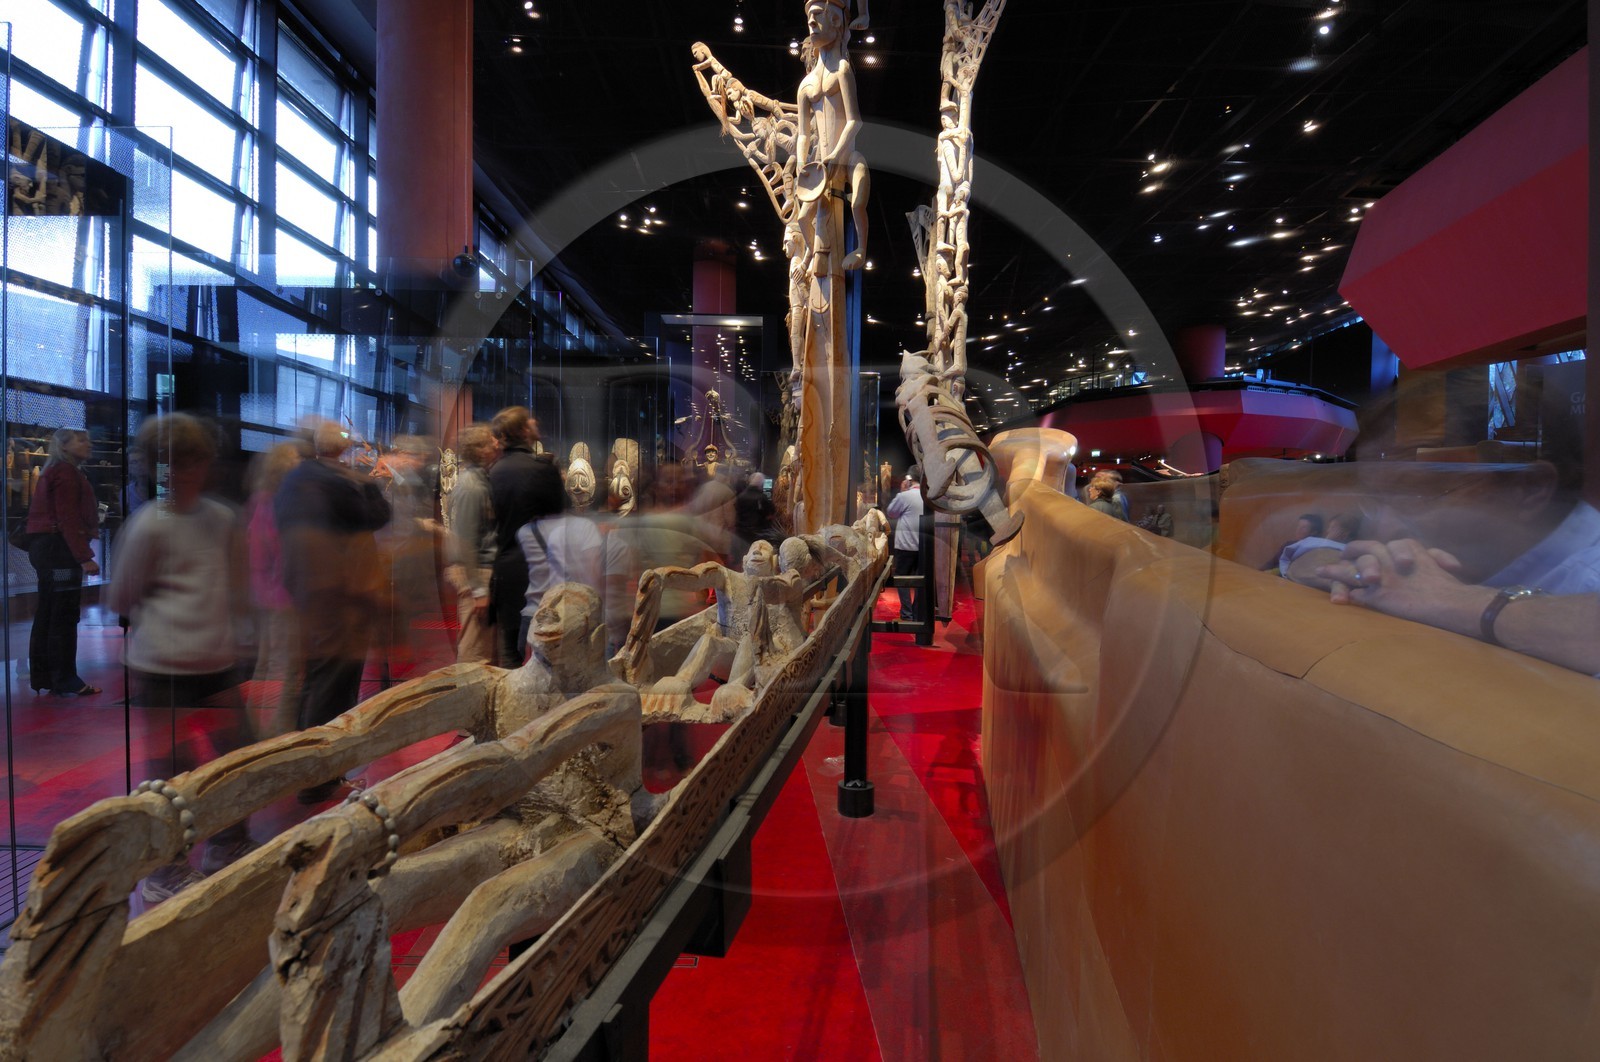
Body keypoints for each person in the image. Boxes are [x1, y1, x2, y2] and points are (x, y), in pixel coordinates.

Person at [107, 413, 256, 901]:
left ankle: (226, 845)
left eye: (189, 461)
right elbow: (122, 595)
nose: (179, 472)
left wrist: (240, 633)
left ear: (205, 464)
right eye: (167, 462)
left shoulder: (220, 519)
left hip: (214, 662)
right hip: (162, 667)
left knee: (235, 762)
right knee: (171, 772)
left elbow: (235, 586)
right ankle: (164, 869)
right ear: (154, 467)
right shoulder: (149, 523)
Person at [1307, 463, 1600, 676]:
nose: (1391, 525)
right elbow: (1310, 554)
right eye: (1381, 499)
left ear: (1529, 487)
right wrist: (1338, 567)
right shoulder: (1490, 555)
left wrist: (1454, 599)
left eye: (1423, 495)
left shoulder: (1590, 573)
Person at [276, 418, 392, 803]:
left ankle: (304, 769)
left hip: (310, 594)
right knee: (333, 688)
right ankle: (320, 777)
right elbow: (374, 518)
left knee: (315, 683)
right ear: (342, 445)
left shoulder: (295, 479)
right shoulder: (338, 480)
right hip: (339, 599)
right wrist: (373, 483)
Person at [24, 427, 101, 696]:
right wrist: (85, 558)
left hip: (49, 549)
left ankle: (46, 676)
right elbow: (68, 518)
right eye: (82, 440)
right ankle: (65, 677)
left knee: (50, 612)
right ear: (64, 446)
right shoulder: (67, 473)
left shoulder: (56, 470)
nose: (88, 444)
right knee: (63, 614)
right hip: (59, 551)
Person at [488, 406, 564, 668]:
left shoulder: (495, 470)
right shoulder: (542, 469)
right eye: (529, 420)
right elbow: (558, 517)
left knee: (510, 649)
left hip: (507, 566)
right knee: (546, 647)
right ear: (522, 430)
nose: (535, 421)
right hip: (541, 567)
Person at [244, 442, 305, 737]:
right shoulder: (278, 502)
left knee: (270, 664)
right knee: (284, 667)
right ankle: (277, 733)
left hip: (268, 595)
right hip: (284, 597)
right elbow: (274, 552)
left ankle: (262, 729)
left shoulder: (263, 499)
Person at [516, 498, 605, 662]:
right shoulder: (585, 527)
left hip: (535, 616)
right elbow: (593, 579)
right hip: (571, 620)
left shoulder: (525, 531)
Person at [446, 424, 500, 665]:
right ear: (479, 450)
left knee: (485, 651)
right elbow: (465, 542)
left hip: (482, 572)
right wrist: (478, 590)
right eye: (491, 441)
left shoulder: (481, 480)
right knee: (475, 655)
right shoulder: (471, 486)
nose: (497, 444)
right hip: (476, 574)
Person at [885, 466, 924, 619]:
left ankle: (907, 614)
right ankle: (917, 612)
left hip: (906, 546)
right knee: (922, 580)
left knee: (902, 578)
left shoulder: (905, 496)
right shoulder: (927, 496)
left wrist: (902, 492)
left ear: (909, 479)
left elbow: (891, 512)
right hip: (923, 547)